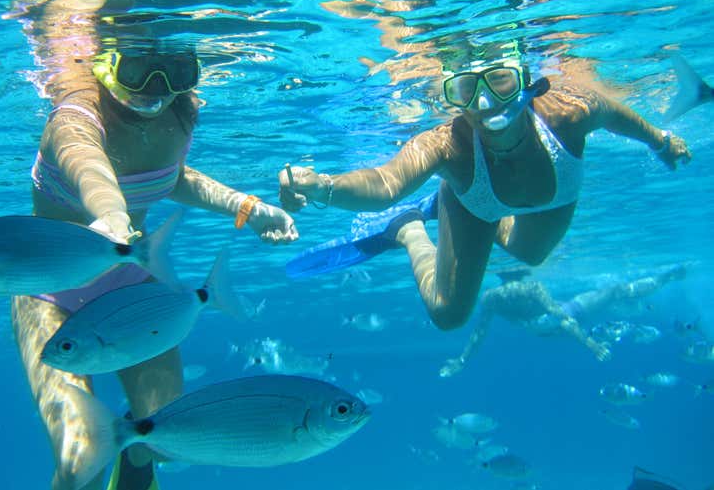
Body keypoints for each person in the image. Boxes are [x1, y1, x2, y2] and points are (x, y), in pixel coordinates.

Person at [5, 0, 298, 490]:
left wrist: (247, 206)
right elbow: (88, 167)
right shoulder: (75, 115)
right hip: (49, 289)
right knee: (79, 463)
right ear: (106, 63)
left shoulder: (178, 117)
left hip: (130, 285)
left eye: (176, 71)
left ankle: (134, 466)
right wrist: (112, 216)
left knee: (163, 434)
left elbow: (173, 178)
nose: (156, 89)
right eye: (138, 68)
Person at [278, 41, 692, 331]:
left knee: (530, 253)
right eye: (465, 89)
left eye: (501, 80)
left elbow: (618, 116)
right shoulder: (447, 145)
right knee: (448, 315)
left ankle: (454, 213)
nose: (485, 101)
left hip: (546, 195)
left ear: (528, 81)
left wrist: (661, 141)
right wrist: (322, 186)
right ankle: (409, 228)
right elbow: (386, 183)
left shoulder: (569, 111)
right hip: (473, 202)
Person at [439, 264, 687, 376]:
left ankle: (640, 297)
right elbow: (563, 317)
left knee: (615, 295)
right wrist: (592, 344)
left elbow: (479, 334)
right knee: (615, 290)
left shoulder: (491, 298)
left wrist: (462, 360)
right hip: (568, 313)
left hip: (544, 331)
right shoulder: (532, 288)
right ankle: (663, 279)